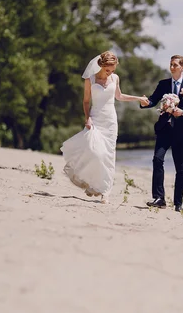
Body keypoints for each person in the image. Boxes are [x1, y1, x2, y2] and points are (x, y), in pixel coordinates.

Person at [60, 51, 149, 203]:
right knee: (95, 153)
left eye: (113, 70)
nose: (110, 73)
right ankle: (93, 183)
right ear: (101, 65)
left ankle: (105, 192)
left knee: (108, 156)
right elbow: (86, 101)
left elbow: (119, 96)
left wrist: (138, 98)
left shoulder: (115, 78)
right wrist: (87, 118)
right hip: (95, 119)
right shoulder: (90, 79)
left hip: (111, 121)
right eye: (108, 70)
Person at [140, 55, 183, 211]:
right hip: (164, 129)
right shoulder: (163, 84)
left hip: (181, 132)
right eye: (171, 64)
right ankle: (159, 198)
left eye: (175, 65)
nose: (172, 67)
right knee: (157, 159)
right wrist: (144, 103)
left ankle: (178, 204)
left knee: (180, 168)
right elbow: (153, 100)